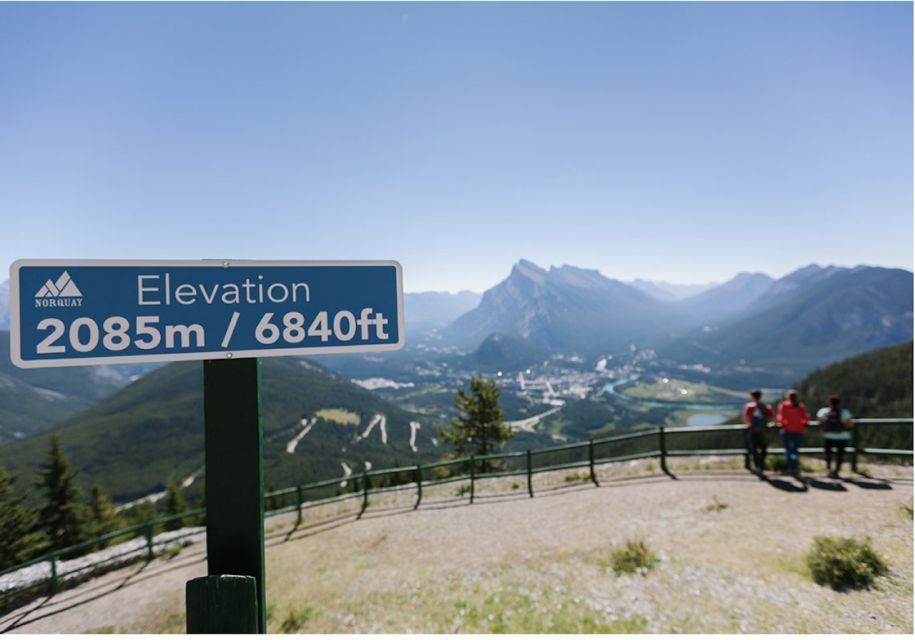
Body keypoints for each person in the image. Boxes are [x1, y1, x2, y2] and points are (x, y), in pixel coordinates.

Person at [817, 395, 854, 478]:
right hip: (843, 436)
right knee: (840, 455)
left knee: (828, 454)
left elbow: (819, 421)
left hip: (828, 436)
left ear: (829, 402)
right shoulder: (844, 412)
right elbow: (850, 424)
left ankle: (829, 470)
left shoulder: (824, 411)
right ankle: (836, 471)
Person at [777, 389, 810, 477]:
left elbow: (780, 419)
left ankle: (790, 468)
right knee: (794, 450)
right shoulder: (800, 406)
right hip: (799, 430)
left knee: (789, 450)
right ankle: (795, 468)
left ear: (787, 397)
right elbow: (806, 418)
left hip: (787, 430)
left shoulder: (783, 405)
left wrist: (786, 423)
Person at [742, 389, 774, 475]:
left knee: (754, 449)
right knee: (763, 449)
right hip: (764, 431)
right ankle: (762, 465)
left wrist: (749, 424)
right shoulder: (766, 406)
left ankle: (757, 466)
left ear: (752, 396)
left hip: (753, 431)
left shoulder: (749, 406)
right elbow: (771, 418)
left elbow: (746, 418)